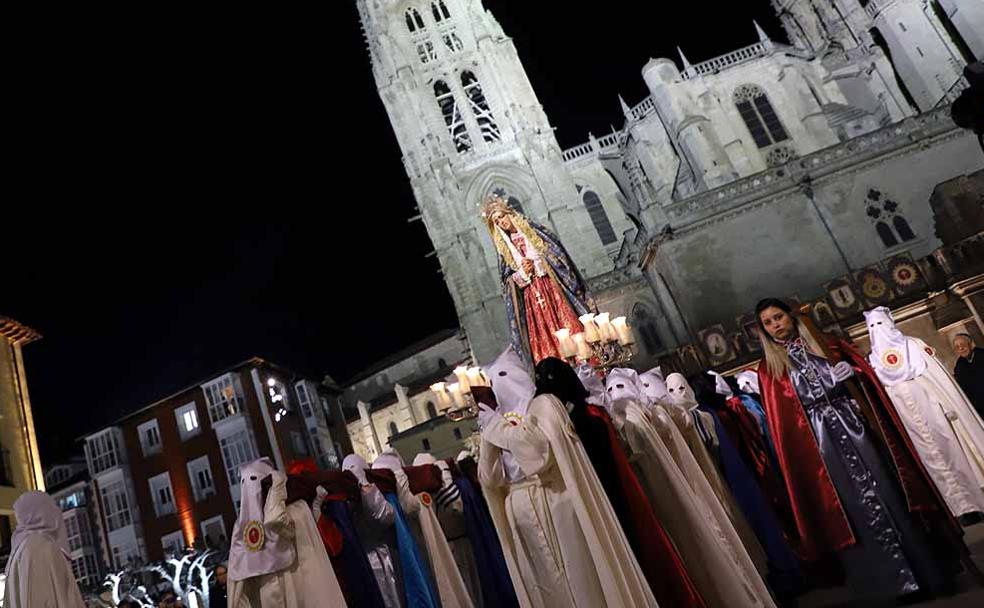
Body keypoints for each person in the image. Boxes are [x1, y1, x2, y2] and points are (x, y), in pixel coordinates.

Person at [755, 298, 966, 603]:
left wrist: (855, 372)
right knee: (852, 511)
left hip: (856, 429)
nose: (776, 325)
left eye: (778, 317)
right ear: (763, 330)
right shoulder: (768, 370)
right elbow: (784, 424)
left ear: (789, 316)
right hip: (821, 447)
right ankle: (889, 585)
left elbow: (866, 379)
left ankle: (928, 573)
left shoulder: (826, 344)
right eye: (768, 322)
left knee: (889, 493)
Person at [477, 347, 658, 607]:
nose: (497, 387)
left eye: (502, 377)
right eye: (492, 382)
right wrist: (487, 435)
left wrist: (495, 427)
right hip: (520, 511)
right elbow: (490, 478)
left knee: (579, 580)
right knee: (547, 587)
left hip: (554, 501)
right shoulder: (496, 423)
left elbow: (538, 454)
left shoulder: (542, 406)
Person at [865, 308, 984, 524]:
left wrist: (946, 403)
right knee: (933, 462)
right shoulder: (872, 359)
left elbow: (937, 377)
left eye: (880, 324)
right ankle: (958, 510)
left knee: (954, 453)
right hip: (908, 419)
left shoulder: (913, 345)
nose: (878, 331)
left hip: (933, 410)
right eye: (872, 327)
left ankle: (976, 502)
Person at [481, 196, 591, 364]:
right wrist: (521, 273)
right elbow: (507, 283)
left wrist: (537, 262)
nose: (501, 222)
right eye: (496, 222)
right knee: (543, 336)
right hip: (531, 298)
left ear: (509, 213)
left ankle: (586, 363)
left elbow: (557, 254)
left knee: (570, 328)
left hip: (551, 287)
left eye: (502, 216)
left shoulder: (534, 232)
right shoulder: (504, 252)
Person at [228, 458, 348, 607]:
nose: (251, 489)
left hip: (299, 589)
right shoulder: (241, 528)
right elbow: (237, 579)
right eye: (245, 483)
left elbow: (278, 522)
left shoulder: (296, 510)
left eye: (254, 480)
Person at [1, 491, 86, 608]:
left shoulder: (22, 547)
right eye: (51, 507)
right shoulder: (40, 546)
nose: (56, 513)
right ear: (41, 512)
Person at [953, 333, 984, 417]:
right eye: (957, 347)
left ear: (971, 344)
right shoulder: (959, 365)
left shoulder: (981, 354)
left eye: (963, 344)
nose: (961, 348)